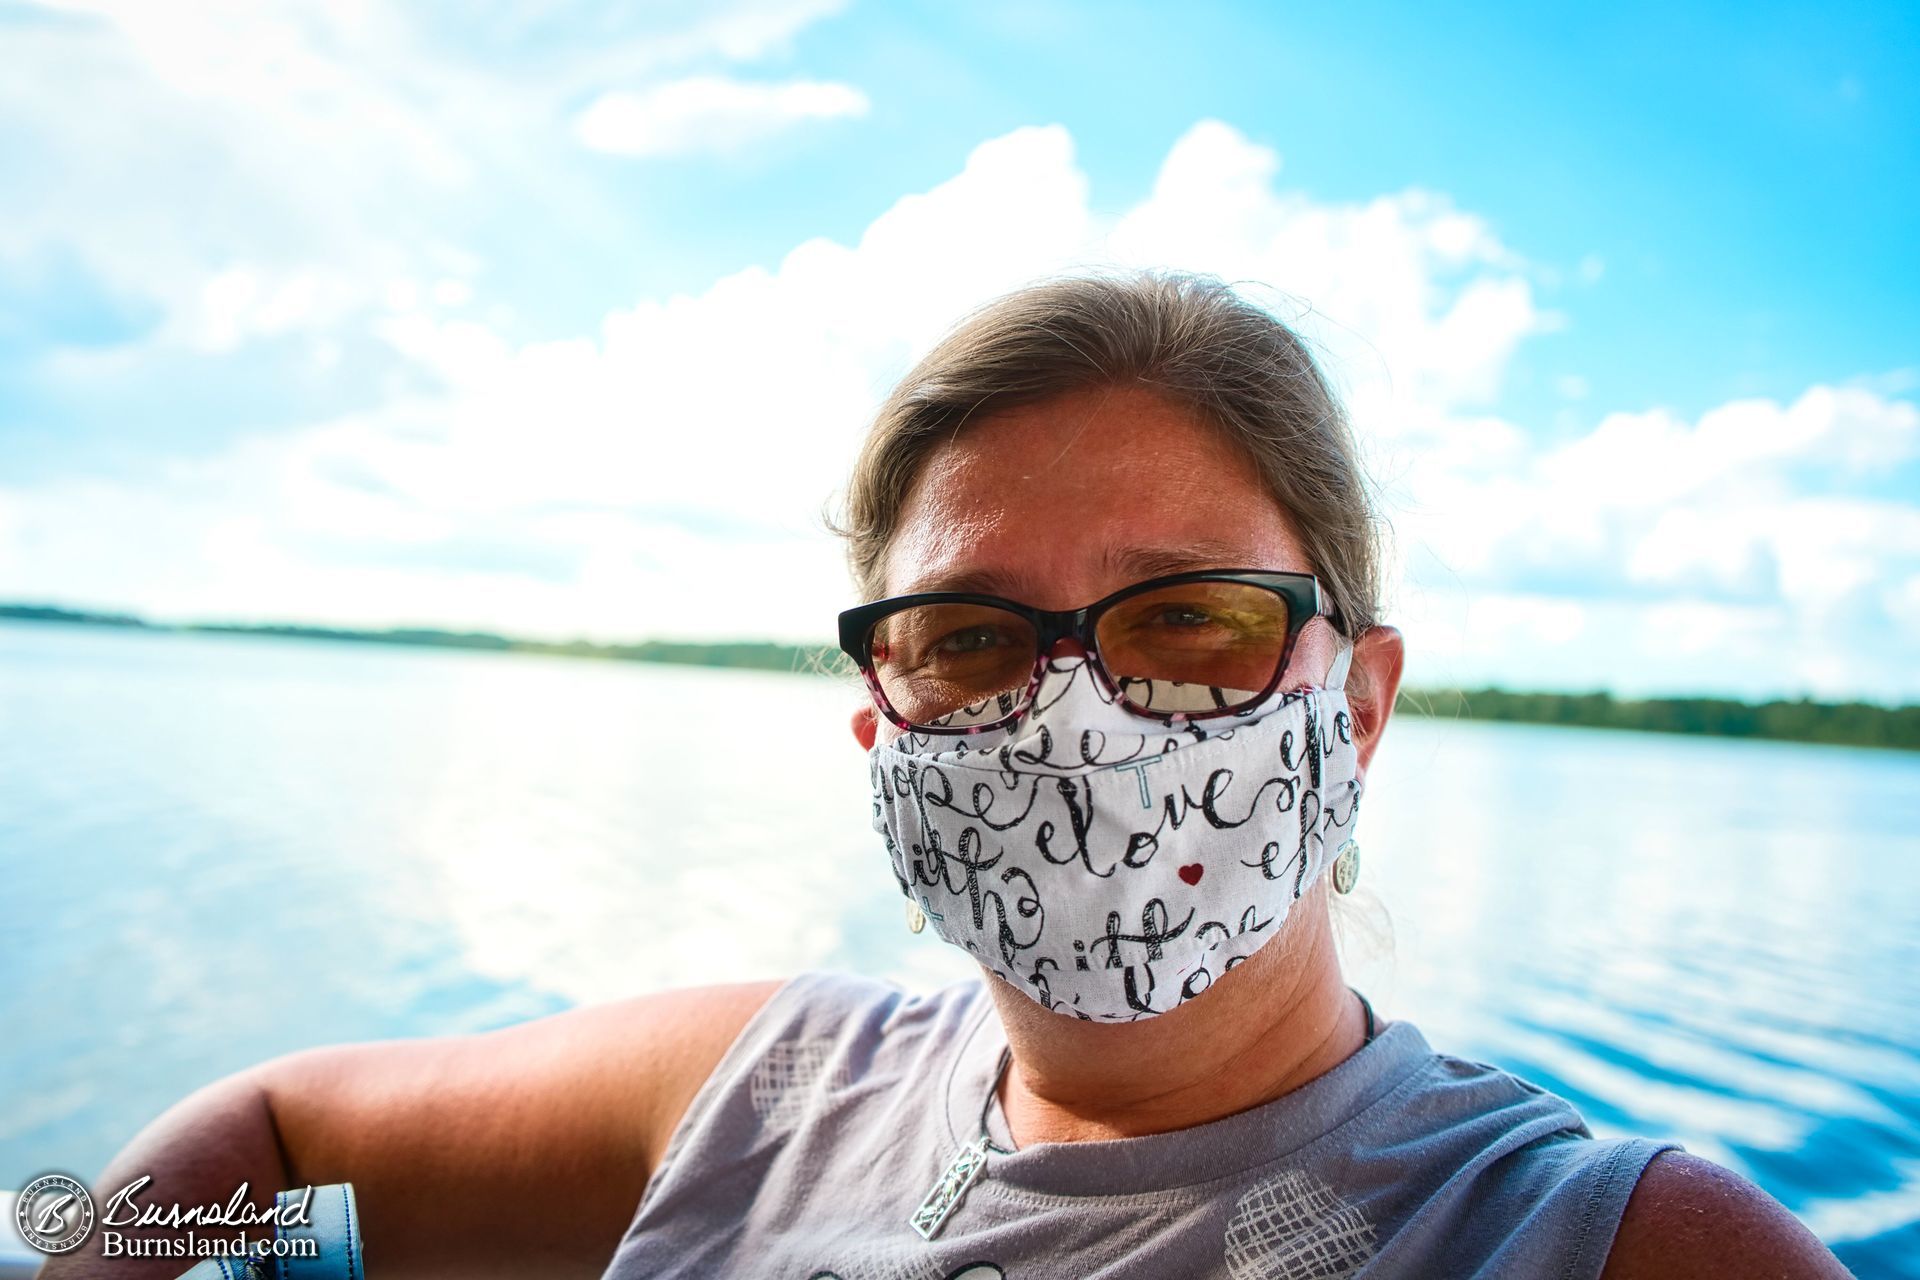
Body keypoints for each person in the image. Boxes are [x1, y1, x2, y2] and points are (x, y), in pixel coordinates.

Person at [46, 273, 1849, 1280]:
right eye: (974, 637)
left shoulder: (1602, 1247)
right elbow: (274, 1146)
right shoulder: (758, 1094)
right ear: (881, 736)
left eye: (1192, 621)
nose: (1082, 712)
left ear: (1355, 705)